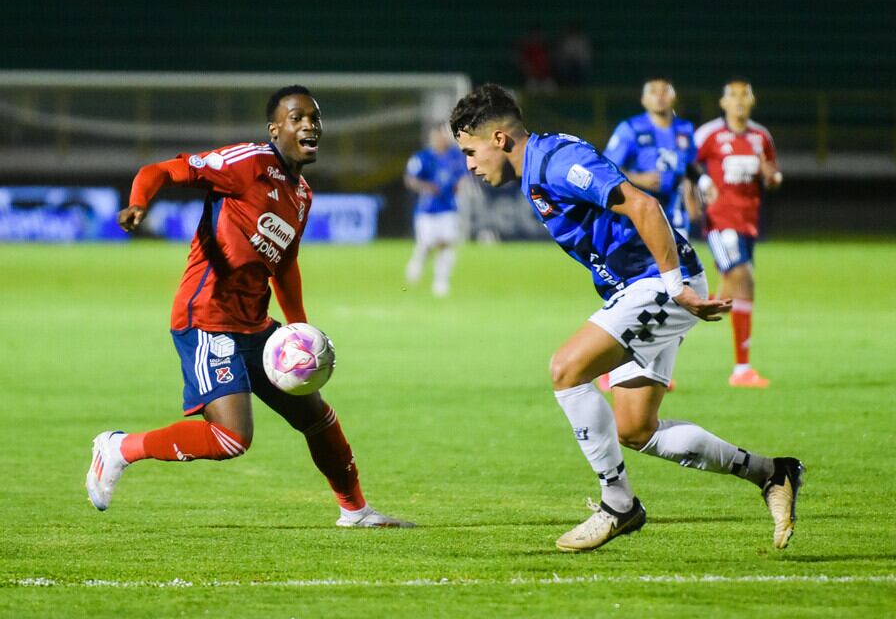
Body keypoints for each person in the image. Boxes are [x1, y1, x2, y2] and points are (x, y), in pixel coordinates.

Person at [450, 83, 802, 553]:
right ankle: (772, 473)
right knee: (635, 429)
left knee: (566, 369)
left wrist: (676, 287)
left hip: (657, 281)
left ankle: (618, 504)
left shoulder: (555, 162)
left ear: (498, 139)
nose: (470, 166)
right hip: (638, 286)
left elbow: (644, 204)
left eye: (471, 152)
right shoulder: (539, 168)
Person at [85, 85, 414, 529]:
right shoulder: (247, 164)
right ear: (274, 129)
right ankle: (119, 448)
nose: (309, 125)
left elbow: (286, 266)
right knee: (231, 437)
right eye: (297, 118)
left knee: (315, 415)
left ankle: (355, 511)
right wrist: (139, 203)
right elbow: (159, 170)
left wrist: (299, 330)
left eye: (314, 118)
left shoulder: (301, 195)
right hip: (206, 318)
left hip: (255, 326)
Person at [599, 77, 698, 391]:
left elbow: (690, 170)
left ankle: (656, 365)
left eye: (665, 89)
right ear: (643, 100)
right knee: (635, 291)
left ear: (674, 95)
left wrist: (694, 197)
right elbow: (606, 167)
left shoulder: (685, 130)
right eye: (653, 91)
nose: (659, 96)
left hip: (676, 220)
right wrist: (640, 177)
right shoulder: (630, 129)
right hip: (639, 222)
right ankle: (607, 362)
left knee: (677, 295)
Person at [694, 78, 782, 388]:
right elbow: (687, 166)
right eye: (733, 95)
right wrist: (694, 198)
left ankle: (741, 367)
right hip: (720, 221)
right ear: (724, 103)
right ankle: (740, 368)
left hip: (748, 224)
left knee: (737, 293)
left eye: (746, 94)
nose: (740, 100)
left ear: (753, 100)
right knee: (743, 278)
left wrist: (771, 175)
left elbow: (773, 176)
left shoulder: (760, 137)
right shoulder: (709, 135)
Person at [404, 123, 468, 297]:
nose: (439, 139)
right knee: (427, 245)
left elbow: (463, 175)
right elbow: (411, 179)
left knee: (446, 243)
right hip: (427, 210)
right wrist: (426, 186)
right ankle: (418, 263)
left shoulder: (456, 156)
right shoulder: (423, 157)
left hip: (448, 208)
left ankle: (441, 281)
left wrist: (459, 185)